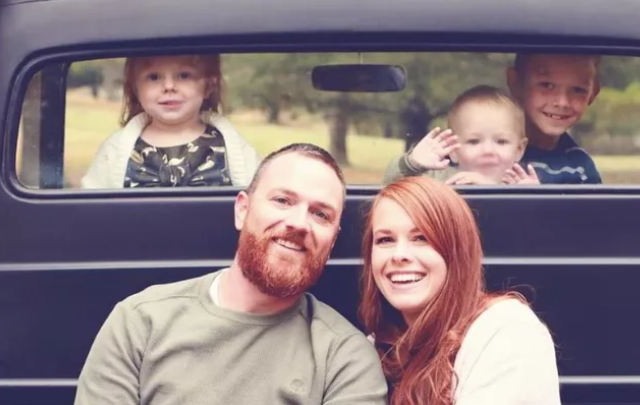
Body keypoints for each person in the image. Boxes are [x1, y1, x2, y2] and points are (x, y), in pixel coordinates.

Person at [75, 143, 388, 405]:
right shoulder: (140, 322)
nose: (299, 223)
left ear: (332, 240)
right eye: (282, 200)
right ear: (243, 210)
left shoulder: (346, 359)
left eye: (320, 214)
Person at [359, 176, 560, 405]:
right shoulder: (372, 349)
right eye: (385, 240)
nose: (399, 254)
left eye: (421, 238)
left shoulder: (507, 330)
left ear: (455, 251)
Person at [81, 54, 259, 189]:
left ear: (209, 86)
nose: (169, 86)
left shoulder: (235, 148)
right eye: (154, 77)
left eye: (183, 75)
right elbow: (90, 212)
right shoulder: (115, 149)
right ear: (135, 88)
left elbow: (259, 200)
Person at [383, 85, 539, 186]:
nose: (488, 150)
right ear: (453, 151)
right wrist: (413, 164)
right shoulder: (439, 180)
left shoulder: (518, 186)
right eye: (473, 141)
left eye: (501, 141)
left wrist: (535, 199)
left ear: (519, 149)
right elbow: (390, 187)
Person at [507, 53, 603, 184]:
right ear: (515, 83)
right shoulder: (489, 152)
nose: (562, 102)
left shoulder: (580, 168)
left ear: (593, 93)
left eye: (577, 90)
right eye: (546, 85)